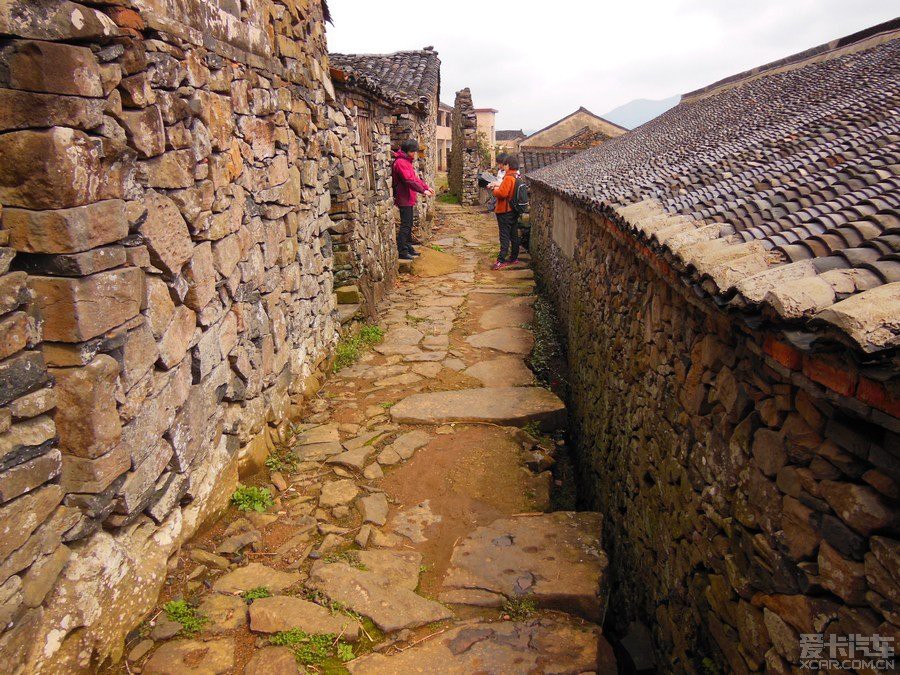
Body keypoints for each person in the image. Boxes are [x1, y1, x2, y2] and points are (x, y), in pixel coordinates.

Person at [391, 139, 433, 260]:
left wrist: (426, 187)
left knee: (408, 224)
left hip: (408, 196)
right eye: (414, 151)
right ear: (409, 151)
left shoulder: (406, 162)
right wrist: (422, 190)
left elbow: (415, 179)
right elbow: (408, 180)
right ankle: (402, 250)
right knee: (405, 224)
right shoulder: (401, 163)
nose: (415, 154)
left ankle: (408, 247)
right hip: (403, 197)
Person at [490, 155, 522, 270]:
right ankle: (514, 257)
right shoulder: (517, 176)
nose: (503, 167)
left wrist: (494, 190)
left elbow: (502, 193)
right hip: (513, 210)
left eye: (505, 165)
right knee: (513, 234)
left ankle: (501, 260)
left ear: (508, 165)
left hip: (504, 210)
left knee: (504, 235)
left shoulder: (508, 178)